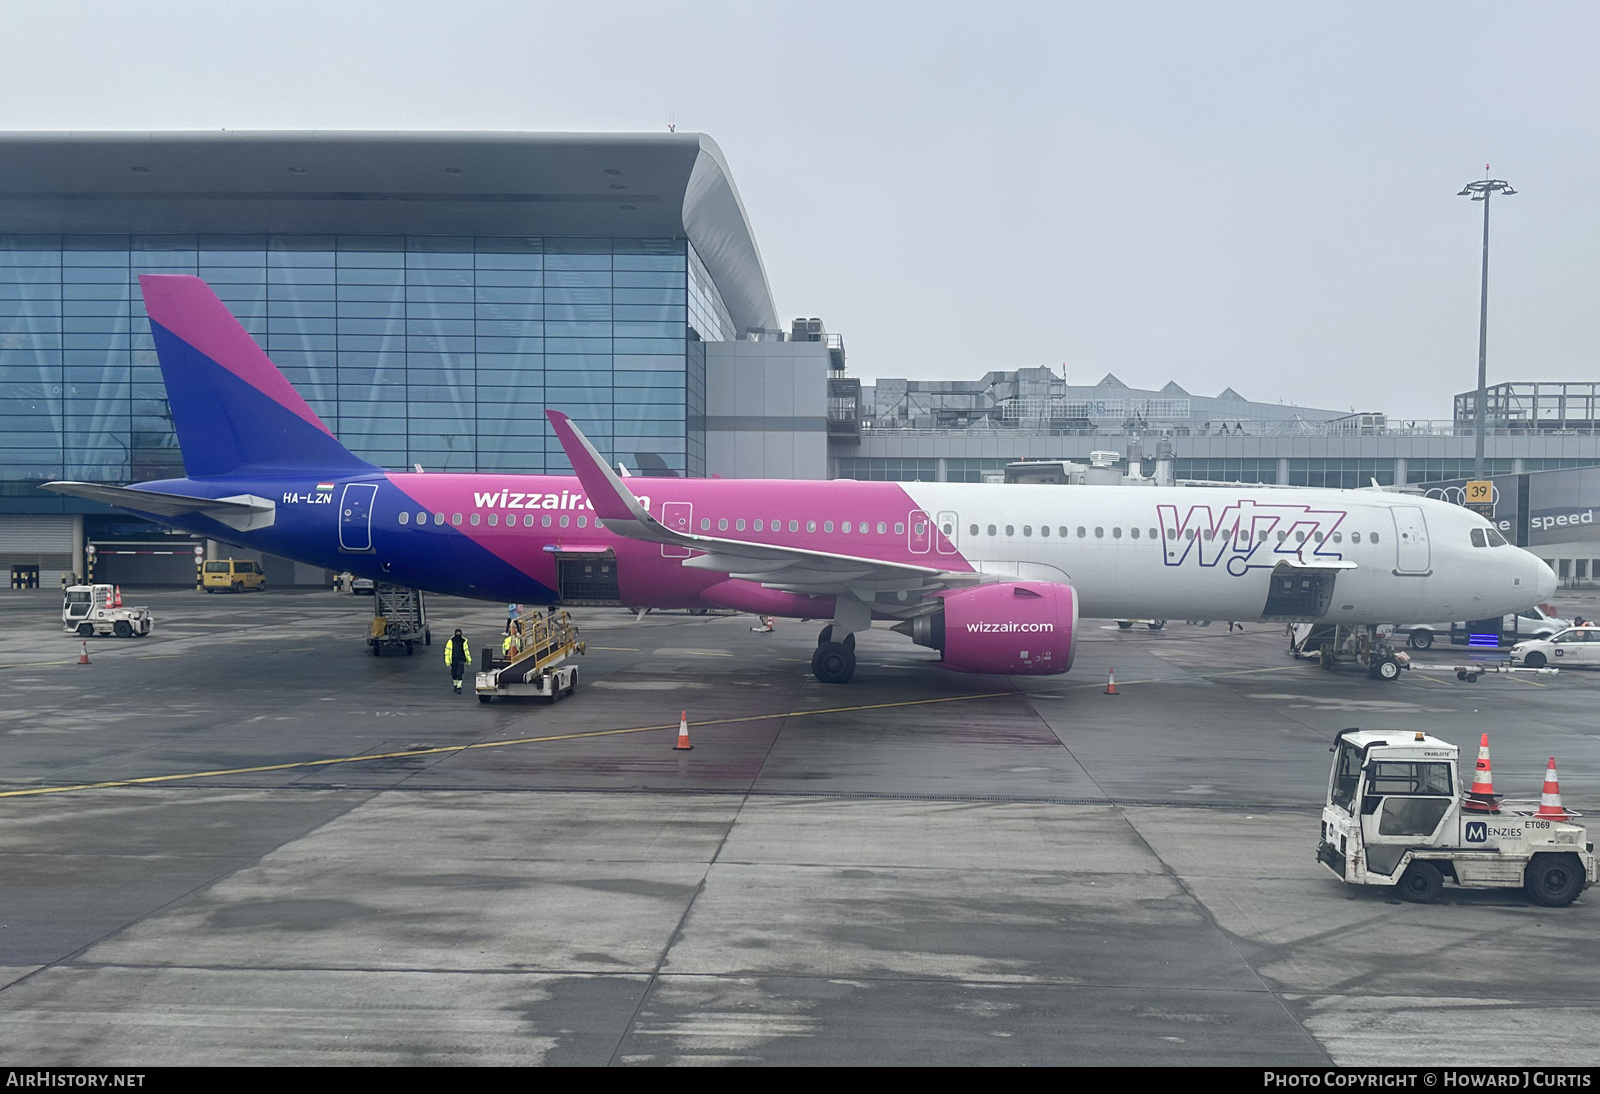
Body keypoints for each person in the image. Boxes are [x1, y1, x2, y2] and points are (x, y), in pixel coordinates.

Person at [445, 628, 472, 694]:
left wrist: (468, 659)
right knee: (454, 674)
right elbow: (447, 652)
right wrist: (447, 660)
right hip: (453, 660)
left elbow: (466, 651)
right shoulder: (450, 642)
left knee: (460, 673)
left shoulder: (463, 641)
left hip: (460, 659)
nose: (458, 635)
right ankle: (455, 685)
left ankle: (459, 687)